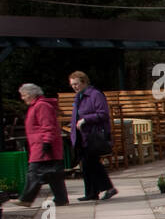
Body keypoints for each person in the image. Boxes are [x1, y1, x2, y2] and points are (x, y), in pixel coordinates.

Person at [15, 83, 69, 208]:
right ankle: (61, 199)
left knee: (34, 172)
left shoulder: (41, 106)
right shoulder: (37, 106)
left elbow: (48, 125)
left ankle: (26, 199)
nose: (22, 98)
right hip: (42, 144)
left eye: (23, 95)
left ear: (31, 94)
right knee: (54, 174)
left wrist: (46, 142)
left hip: (43, 145)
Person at [68, 70, 117, 201]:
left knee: (92, 163)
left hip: (92, 136)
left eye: (76, 84)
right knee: (87, 165)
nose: (74, 87)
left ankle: (107, 188)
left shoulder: (95, 95)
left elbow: (103, 114)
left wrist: (86, 119)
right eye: (72, 84)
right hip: (82, 136)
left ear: (84, 82)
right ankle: (92, 192)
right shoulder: (78, 96)